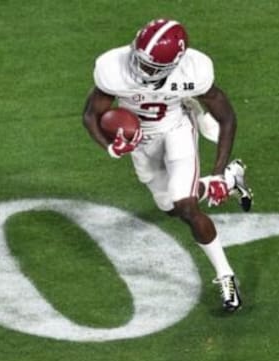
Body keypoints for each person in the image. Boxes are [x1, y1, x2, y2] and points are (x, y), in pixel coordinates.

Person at [82, 18, 252, 312]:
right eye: (139, 58)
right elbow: (90, 115)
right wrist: (110, 146)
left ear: (172, 66)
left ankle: (226, 275)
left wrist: (215, 167)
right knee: (170, 208)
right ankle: (228, 181)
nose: (139, 67)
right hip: (141, 141)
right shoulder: (115, 68)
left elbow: (227, 118)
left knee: (185, 206)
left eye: (149, 65)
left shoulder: (193, 70)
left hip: (177, 131)